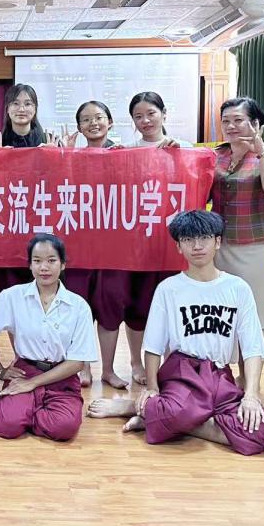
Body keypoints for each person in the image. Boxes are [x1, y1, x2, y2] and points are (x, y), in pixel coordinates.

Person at [87, 210, 264, 456]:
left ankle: (150, 414)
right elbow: (153, 346)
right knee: (180, 411)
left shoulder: (237, 288)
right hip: (182, 372)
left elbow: (253, 348)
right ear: (179, 246)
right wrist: (152, 388)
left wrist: (251, 394)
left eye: (204, 238)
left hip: (219, 375)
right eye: (188, 239)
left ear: (217, 242)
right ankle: (154, 409)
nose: (197, 246)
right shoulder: (169, 289)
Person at [0, 234, 97, 441]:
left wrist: (33, 384)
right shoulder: (12, 296)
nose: (44, 267)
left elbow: (77, 363)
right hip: (25, 371)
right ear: (30, 265)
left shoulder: (78, 306)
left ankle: (24, 412)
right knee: (8, 425)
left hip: (62, 376)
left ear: (63, 264)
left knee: (64, 428)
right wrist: (0, 370)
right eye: (37, 261)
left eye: (51, 260)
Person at [108, 91, 194, 385]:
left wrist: (180, 156)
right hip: (135, 246)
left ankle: (170, 363)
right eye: (138, 116)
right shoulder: (126, 151)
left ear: (164, 113)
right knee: (136, 306)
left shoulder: (183, 148)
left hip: (171, 244)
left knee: (172, 305)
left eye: (151, 114)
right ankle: (136, 362)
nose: (145, 121)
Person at [211, 97, 264, 342]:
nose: (231, 126)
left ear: (256, 124)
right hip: (218, 245)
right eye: (225, 121)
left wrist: (261, 151)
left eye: (238, 120)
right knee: (220, 312)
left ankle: (251, 367)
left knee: (252, 312)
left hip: (255, 245)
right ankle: (223, 365)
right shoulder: (215, 155)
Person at [61, 100, 123, 388]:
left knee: (110, 306)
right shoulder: (72, 156)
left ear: (110, 121)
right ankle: (82, 367)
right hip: (79, 247)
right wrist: (65, 157)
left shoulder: (124, 154)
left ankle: (108, 369)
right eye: (86, 119)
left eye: (98, 117)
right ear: (79, 127)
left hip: (114, 248)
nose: (93, 123)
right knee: (79, 305)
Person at [0, 83, 56, 301]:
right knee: (8, 295)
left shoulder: (49, 142)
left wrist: (58, 157)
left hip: (39, 225)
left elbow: (60, 185)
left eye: (28, 103)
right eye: (15, 103)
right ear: (7, 108)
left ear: (35, 109)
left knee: (39, 292)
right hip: (5, 229)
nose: (21, 109)